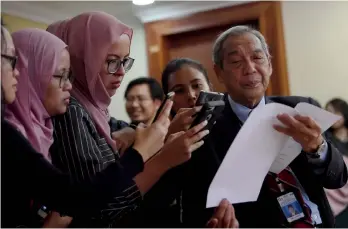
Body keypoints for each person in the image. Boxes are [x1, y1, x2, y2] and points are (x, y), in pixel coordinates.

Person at [46, 12, 209, 227]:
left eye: (124, 62)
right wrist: (162, 160)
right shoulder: (72, 111)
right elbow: (99, 209)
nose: (121, 72)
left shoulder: (98, 111)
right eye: (112, 62)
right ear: (82, 58)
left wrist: (162, 135)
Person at [0, 22, 169, 228]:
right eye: (9, 60)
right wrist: (143, 153)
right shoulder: (63, 116)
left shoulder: (42, 129)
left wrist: (134, 133)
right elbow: (80, 199)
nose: (69, 86)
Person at [177, 25, 347, 228]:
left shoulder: (302, 108)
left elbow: (338, 178)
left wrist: (317, 148)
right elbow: (193, 209)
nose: (250, 69)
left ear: (270, 64)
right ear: (219, 72)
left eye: (257, 58)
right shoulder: (204, 130)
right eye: (236, 62)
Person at [4, 27, 74, 228]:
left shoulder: (49, 128)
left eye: (69, 75)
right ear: (30, 75)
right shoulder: (9, 138)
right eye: (61, 75)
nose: (68, 85)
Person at [325, 98, 348, 227]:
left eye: (336, 112)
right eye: (329, 112)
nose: (332, 116)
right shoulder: (325, 137)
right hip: (332, 189)